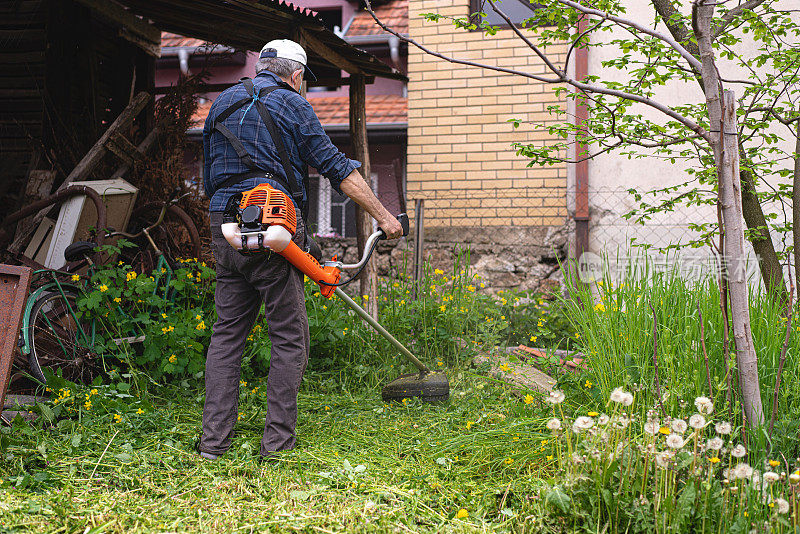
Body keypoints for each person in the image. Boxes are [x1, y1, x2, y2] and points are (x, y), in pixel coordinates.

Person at [199, 39, 402, 461]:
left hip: (224, 228)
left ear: (262, 67)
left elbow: (209, 178)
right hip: (274, 227)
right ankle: (275, 447)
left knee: (226, 338)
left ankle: (213, 445)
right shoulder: (293, 104)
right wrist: (384, 216)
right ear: (296, 76)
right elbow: (337, 168)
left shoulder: (220, 104)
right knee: (289, 337)